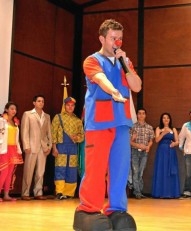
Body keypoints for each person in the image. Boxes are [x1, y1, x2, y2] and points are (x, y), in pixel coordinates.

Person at [73, 19, 142, 231]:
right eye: (113, 38)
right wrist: (113, 91)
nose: (117, 42)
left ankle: (116, 209)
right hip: (99, 124)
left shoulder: (125, 61)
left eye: (120, 38)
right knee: (95, 170)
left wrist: (125, 66)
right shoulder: (92, 60)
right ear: (102, 38)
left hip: (122, 123)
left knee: (120, 170)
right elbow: (101, 79)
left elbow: (137, 87)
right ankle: (89, 209)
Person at [0, 102, 23, 202]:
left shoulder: (15, 122)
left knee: (10, 173)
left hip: (13, 149)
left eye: (15, 109)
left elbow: (16, 138)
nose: (14, 111)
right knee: (4, 172)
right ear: (6, 109)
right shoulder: (1, 120)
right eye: (11, 108)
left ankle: (6, 194)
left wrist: (18, 149)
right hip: (3, 149)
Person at [51, 97, 84, 200]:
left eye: (72, 105)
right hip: (61, 146)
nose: (70, 107)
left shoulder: (78, 121)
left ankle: (69, 192)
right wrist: (54, 147)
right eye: (68, 105)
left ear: (74, 107)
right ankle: (60, 192)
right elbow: (53, 133)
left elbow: (82, 136)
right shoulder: (58, 117)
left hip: (73, 147)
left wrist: (77, 138)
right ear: (65, 106)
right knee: (60, 169)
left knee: (72, 169)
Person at [21, 95, 52, 200]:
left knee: (40, 171)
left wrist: (49, 146)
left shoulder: (46, 116)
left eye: (43, 101)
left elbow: (49, 133)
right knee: (28, 171)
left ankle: (38, 192)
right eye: (39, 101)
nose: (41, 103)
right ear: (34, 103)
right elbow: (24, 131)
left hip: (43, 148)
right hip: (31, 146)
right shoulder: (28, 114)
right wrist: (26, 145)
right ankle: (25, 193)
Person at [151, 112, 180, 198]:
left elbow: (177, 141)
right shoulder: (158, 129)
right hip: (161, 152)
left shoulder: (173, 129)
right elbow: (156, 140)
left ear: (170, 119)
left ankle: (171, 193)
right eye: (164, 118)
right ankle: (160, 193)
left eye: (167, 118)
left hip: (171, 151)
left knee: (170, 170)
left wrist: (174, 144)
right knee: (161, 170)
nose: (166, 119)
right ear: (161, 120)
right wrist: (163, 133)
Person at [129, 108, 154, 199]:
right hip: (135, 151)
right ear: (137, 115)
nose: (141, 115)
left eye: (143, 113)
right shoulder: (133, 127)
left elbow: (151, 140)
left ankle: (139, 191)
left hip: (144, 153)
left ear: (145, 115)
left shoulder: (149, 127)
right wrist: (137, 144)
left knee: (141, 172)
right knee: (135, 172)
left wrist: (148, 147)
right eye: (139, 113)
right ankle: (137, 192)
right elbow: (129, 141)